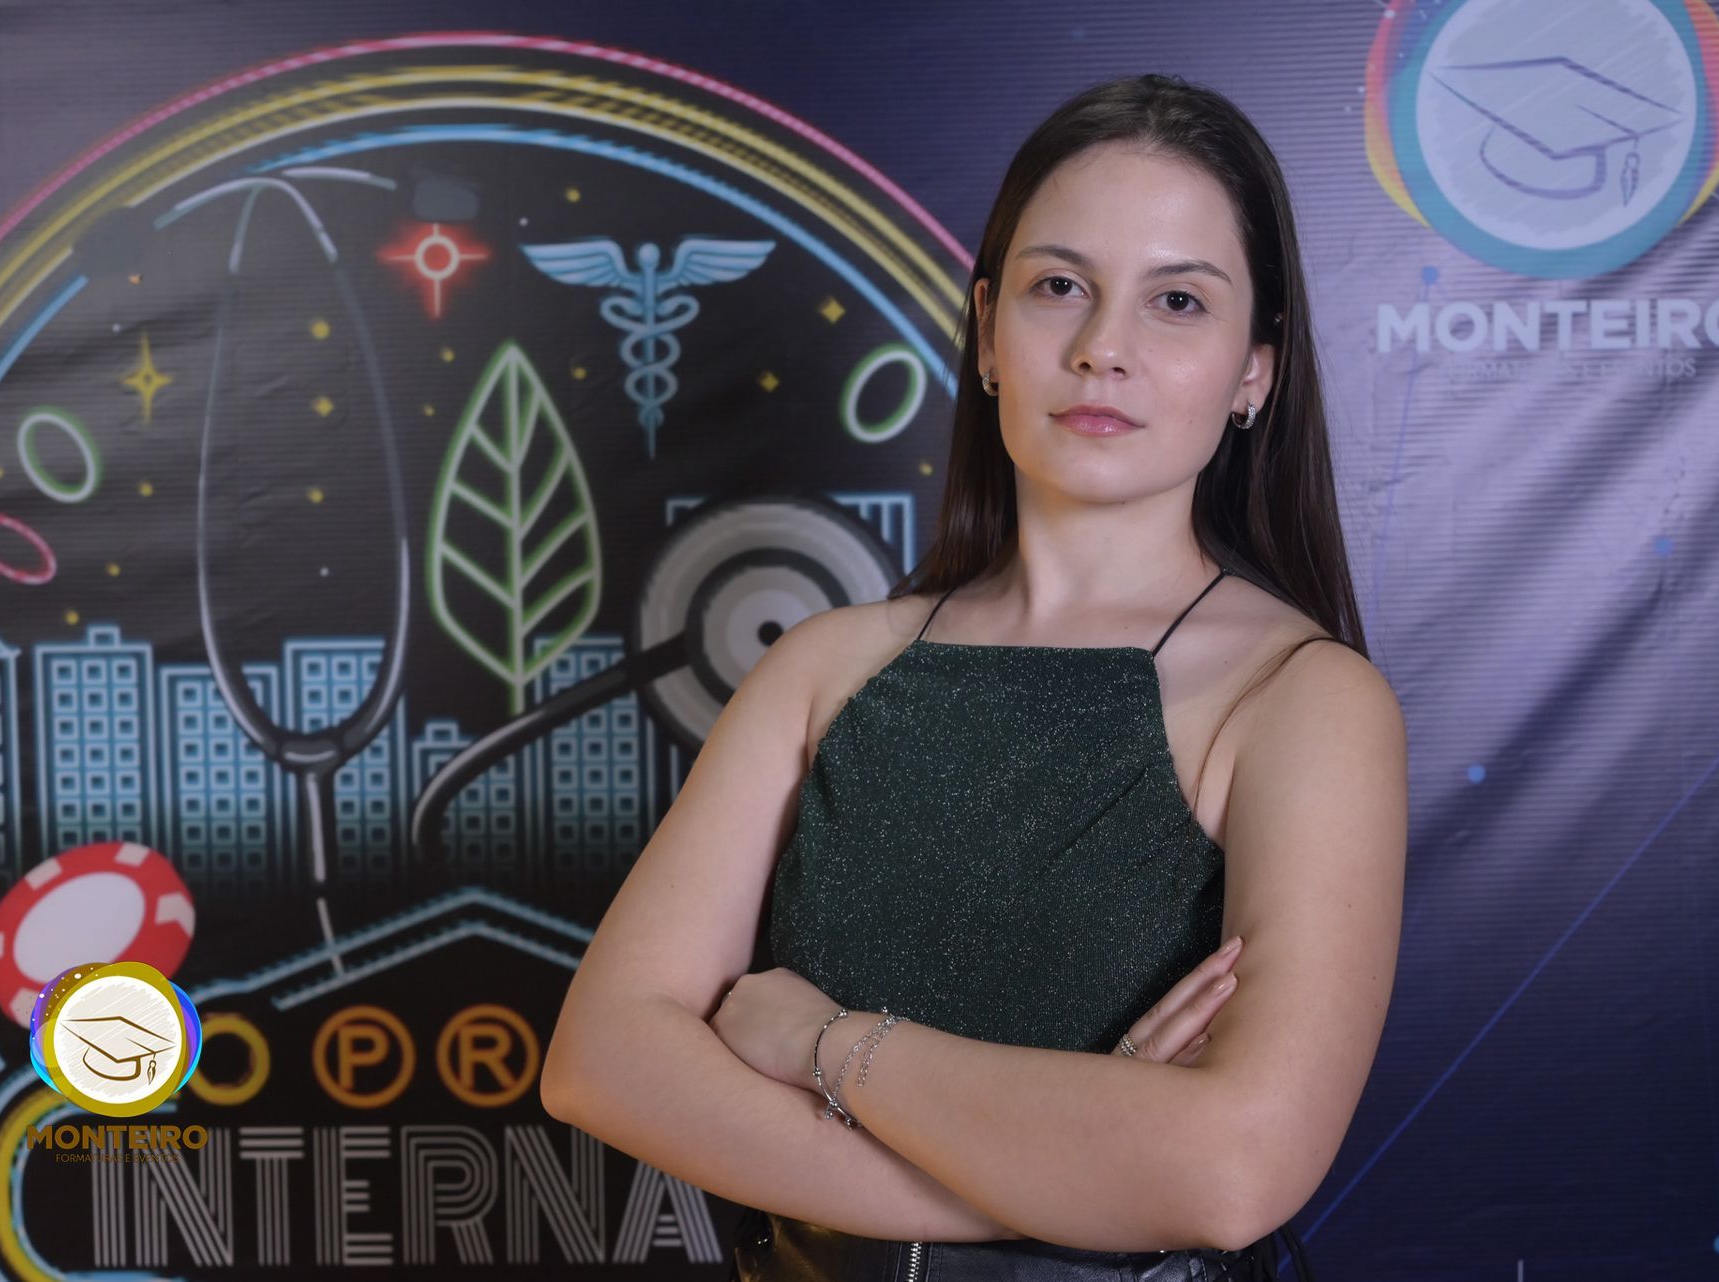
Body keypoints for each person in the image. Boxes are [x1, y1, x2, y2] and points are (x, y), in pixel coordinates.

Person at [539, 73, 1408, 1281]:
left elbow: (1231, 1169)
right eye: (1061, 286)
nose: (1103, 349)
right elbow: (602, 1062)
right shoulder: (825, 668)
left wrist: (825, 1044)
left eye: (1177, 301)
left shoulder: (1304, 700)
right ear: (991, 332)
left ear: (1255, 368)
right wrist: (1065, 1176)